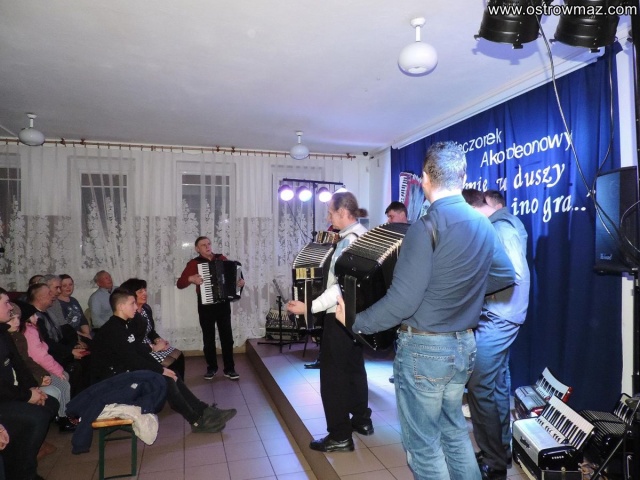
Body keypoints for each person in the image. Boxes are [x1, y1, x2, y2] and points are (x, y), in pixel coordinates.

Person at [335, 142, 515, 479]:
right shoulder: (483, 224)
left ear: (425, 179)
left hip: (425, 350)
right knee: (455, 433)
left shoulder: (425, 226)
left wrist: (356, 321)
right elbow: (505, 275)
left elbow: (402, 303)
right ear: (463, 178)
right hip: (464, 346)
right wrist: (463, 290)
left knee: (424, 448)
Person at [287, 191, 372, 453]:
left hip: (339, 315)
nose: (328, 217)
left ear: (343, 212)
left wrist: (309, 307)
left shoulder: (348, 243)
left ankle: (340, 435)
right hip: (356, 317)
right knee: (355, 368)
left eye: (331, 212)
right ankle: (362, 420)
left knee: (333, 377)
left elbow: (338, 288)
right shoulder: (364, 236)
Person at [91, 287, 236, 433]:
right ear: (121, 307)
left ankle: (204, 410)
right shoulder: (113, 330)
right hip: (114, 382)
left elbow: (139, 352)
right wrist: (160, 371)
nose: (135, 307)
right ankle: (196, 421)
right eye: (132, 303)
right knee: (165, 380)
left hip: (125, 372)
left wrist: (162, 368)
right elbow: (133, 360)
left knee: (172, 374)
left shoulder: (124, 325)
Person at [462, 188, 530, 480]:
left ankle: (494, 462)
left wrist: (472, 288)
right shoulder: (502, 225)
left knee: (479, 386)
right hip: (501, 314)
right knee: (497, 385)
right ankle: (500, 452)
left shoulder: (500, 229)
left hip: (498, 317)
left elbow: (513, 274)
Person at [0, 287, 58, 480]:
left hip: (12, 394)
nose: (10, 307)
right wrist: (26, 396)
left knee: (49, 403)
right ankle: (23, 473)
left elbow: (20, 365)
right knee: (35, 417)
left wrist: (32, 388)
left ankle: (23, 461)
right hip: (4, 399)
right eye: (6, 303)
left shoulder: (3, 333)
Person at [177, 237, 245, 380]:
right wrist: (191, 279)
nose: (207, 247)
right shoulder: (194, 263)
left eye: (208, 244)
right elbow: (180, 283)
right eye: (203, 245)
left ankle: (229, 368)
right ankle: (212, 368)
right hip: (205, 304)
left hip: (223, 304)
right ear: (197, 249)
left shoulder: (222, 259)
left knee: (227, 337)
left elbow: (234, 277)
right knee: (208, 338)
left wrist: (239, 283)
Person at [8, 301, 75, 432]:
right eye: (33, 315)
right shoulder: (27, 333)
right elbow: (36, 358)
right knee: (62, 384)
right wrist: (44, 376)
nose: (37, 318)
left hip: (36, 373)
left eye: (18, 318)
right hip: (30, 377)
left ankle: (63, 414)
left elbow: (28, 360)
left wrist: (43, 375)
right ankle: (63, 417)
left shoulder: (20, 335)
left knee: (64, 379)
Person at [120, 278, 185, 379]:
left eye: (145, 290)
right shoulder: (129, 315)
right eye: (140, 291)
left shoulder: (146, 308)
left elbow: (151, 332)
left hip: (151, 345)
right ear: (131, 295)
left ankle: (178, 384)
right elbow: (133, 343)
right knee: (169, 363)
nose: (145, 293)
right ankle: (170, 384)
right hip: (142, 351)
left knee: (178, 355)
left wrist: (158, 340)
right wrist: (154, 347)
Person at [384, 201, 410, 385]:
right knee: (397, 334)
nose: (389, 220)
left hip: (407, 291)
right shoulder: (390, 235)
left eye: (391, 216)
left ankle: (404, 370)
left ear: (402, 214)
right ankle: (399, 369)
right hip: (394, 290)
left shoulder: (415, 233)